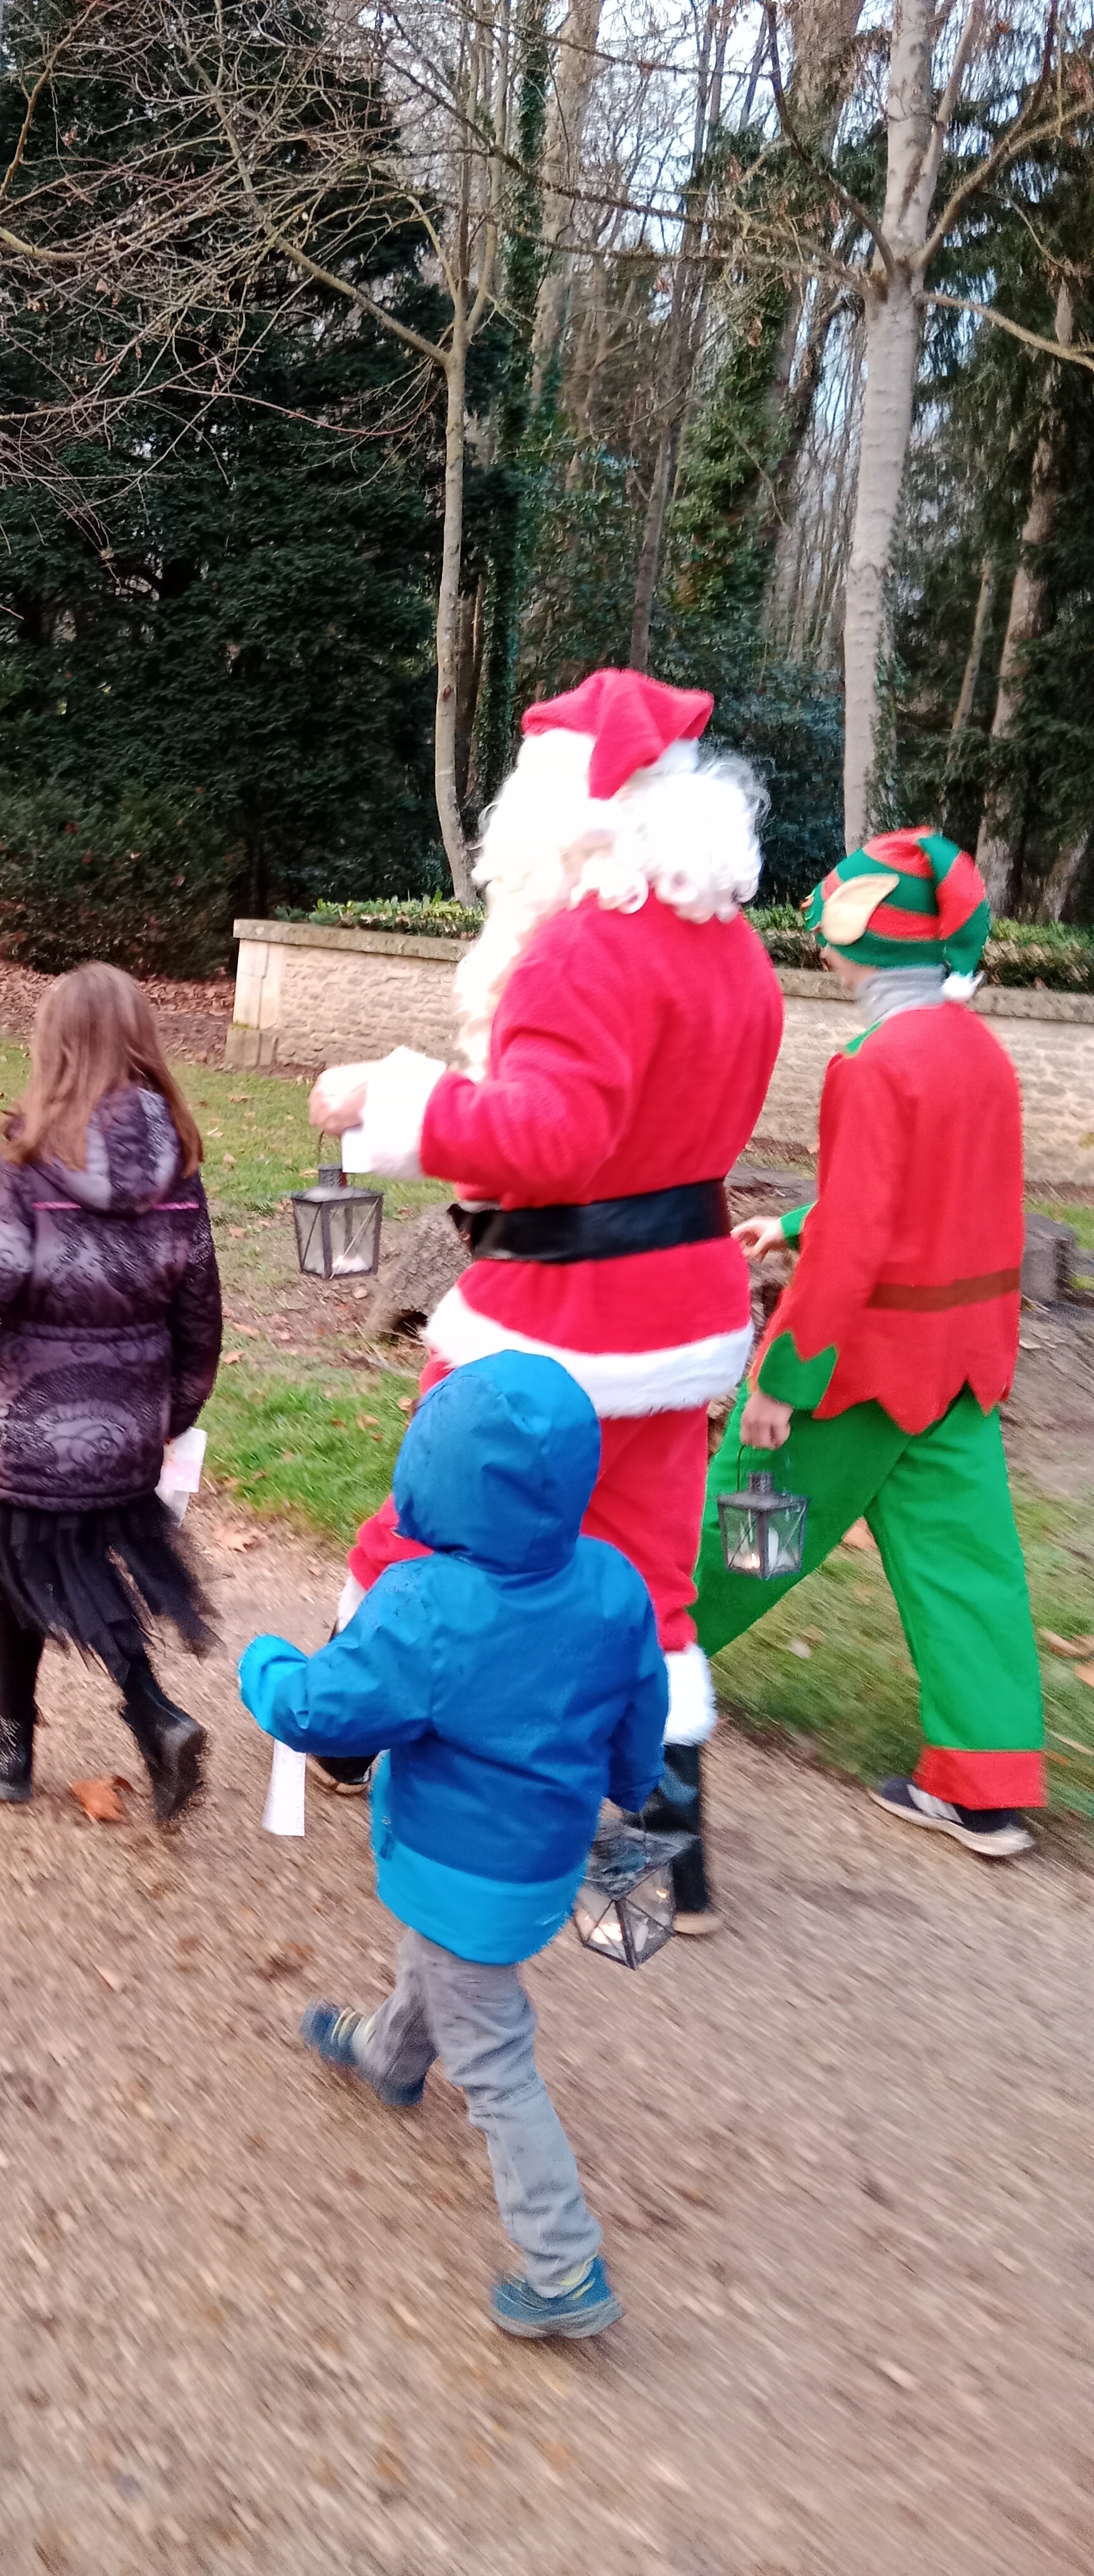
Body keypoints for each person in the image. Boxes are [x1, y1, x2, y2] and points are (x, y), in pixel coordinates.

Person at [307, 667, 783, 1931]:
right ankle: (671, 1858)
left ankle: (347, 1731)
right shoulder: (733, 946)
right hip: (682, 1312)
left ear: (559, 801)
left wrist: (385, 1099)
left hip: (553, 1312)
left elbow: (552, 1138)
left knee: (431, 1522)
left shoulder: (581, 941)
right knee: (651, 1571)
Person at [239, 1354, 666, 2339]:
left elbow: (320, 1712)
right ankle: (389, 2056)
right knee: (438, 1964)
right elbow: (641, 1704)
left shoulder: (428, 1606)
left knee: (496, 2056)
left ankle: (563, 2264)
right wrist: (633, 1785)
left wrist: (266, 1664)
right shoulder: (611, 1581)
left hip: (459, 1866)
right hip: (546, 1857)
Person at [693, 831, 1046, 1860]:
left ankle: (615, 1680)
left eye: (830, 931)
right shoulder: (981, 1052)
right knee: (967, 1569)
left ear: (868, 942)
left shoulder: (873, 1063)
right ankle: (984, 1790)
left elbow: (858, 1242)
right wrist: (795, 1221)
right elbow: (932, 1197)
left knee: (737, 1532)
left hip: (861, 1371)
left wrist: (781, 1382)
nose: (819, 948)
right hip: (963, 1366)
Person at [0, 962, 222, 1822]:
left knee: (11, 1566)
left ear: (54, 1046)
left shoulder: (29, 1160)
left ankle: (30, 1743)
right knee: (74, 1566)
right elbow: (200, 1316)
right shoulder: (180, 1167)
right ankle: (143, 1719)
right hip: (127, 1428)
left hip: (26, 1429)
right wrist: (167, 1417)